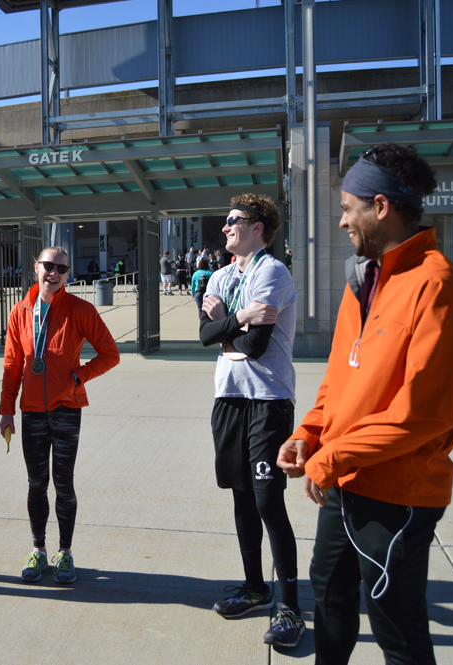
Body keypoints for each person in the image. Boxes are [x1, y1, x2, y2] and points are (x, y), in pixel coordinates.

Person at [277, 143, 453, 665]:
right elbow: (340, 379)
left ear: (381, 206)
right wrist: (310, 435)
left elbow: (423, 415)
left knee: (396, 625)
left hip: (399, 492)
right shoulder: (362, 280)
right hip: (345, 477)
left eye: (348, 208)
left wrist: (329, 460)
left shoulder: (440, 287)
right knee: (328, 592)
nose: (342, 220)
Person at [198, 194, 303, 648]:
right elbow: (205, 336)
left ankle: (291, 609)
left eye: (233, 221)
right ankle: (256, 587)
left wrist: (228, 328)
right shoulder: (220, 276)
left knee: (266, 501)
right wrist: (238, 319)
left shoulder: (272, 272)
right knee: (241, 496)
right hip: (229, 396)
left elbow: (256, 346)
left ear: (258, 226)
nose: (225, 229)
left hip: (267, 398)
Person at [0, 246, 119, 585]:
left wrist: (78, 376)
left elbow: (110, 354)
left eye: (62, 269)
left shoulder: (80, 309)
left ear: (68, 274)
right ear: (36, 268)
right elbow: (12, 364)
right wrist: (6, 409)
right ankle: (38, 550)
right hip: (31, 413)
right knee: (36, 484)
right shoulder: (20, 311)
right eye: (48, 266)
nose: (54, 273)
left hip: (68, 409)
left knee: (63, 484)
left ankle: (65, 553)